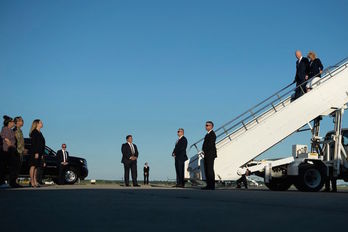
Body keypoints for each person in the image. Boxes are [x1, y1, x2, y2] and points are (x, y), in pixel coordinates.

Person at [1, 116, 22, 188]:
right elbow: (6, 139)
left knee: (14, 167)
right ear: (9, 123)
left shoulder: (11, 130)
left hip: (13, 150)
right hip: (7, 150)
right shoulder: (5, 129)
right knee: (5, 166)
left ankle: (13, 182)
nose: (14, 123)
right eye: (13, 121)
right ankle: (2, 182)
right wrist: (11, 147)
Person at [29, 119, 45, 188]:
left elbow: (42, 144)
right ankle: (32, 181)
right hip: (35, 152)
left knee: (36, 167)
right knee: (33, 166)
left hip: (40, 153)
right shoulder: (34, 132)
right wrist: (36, 152)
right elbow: (34, 143)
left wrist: (41, 154)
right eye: (41, 122)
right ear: (37, 124)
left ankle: (35, 181)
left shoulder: (40, 133)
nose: (42, 123)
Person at [202, 121, 217, 190]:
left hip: (210, 154)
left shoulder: (212, 134)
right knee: (207, 170)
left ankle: (211, 185)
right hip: (207, 154)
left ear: (211, 126)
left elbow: (210, 144)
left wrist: (205, 150)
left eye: (207, 125)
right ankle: (208, 185)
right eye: (206, 125)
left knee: (210, 170)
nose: (206, 126)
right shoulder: (207, 134)